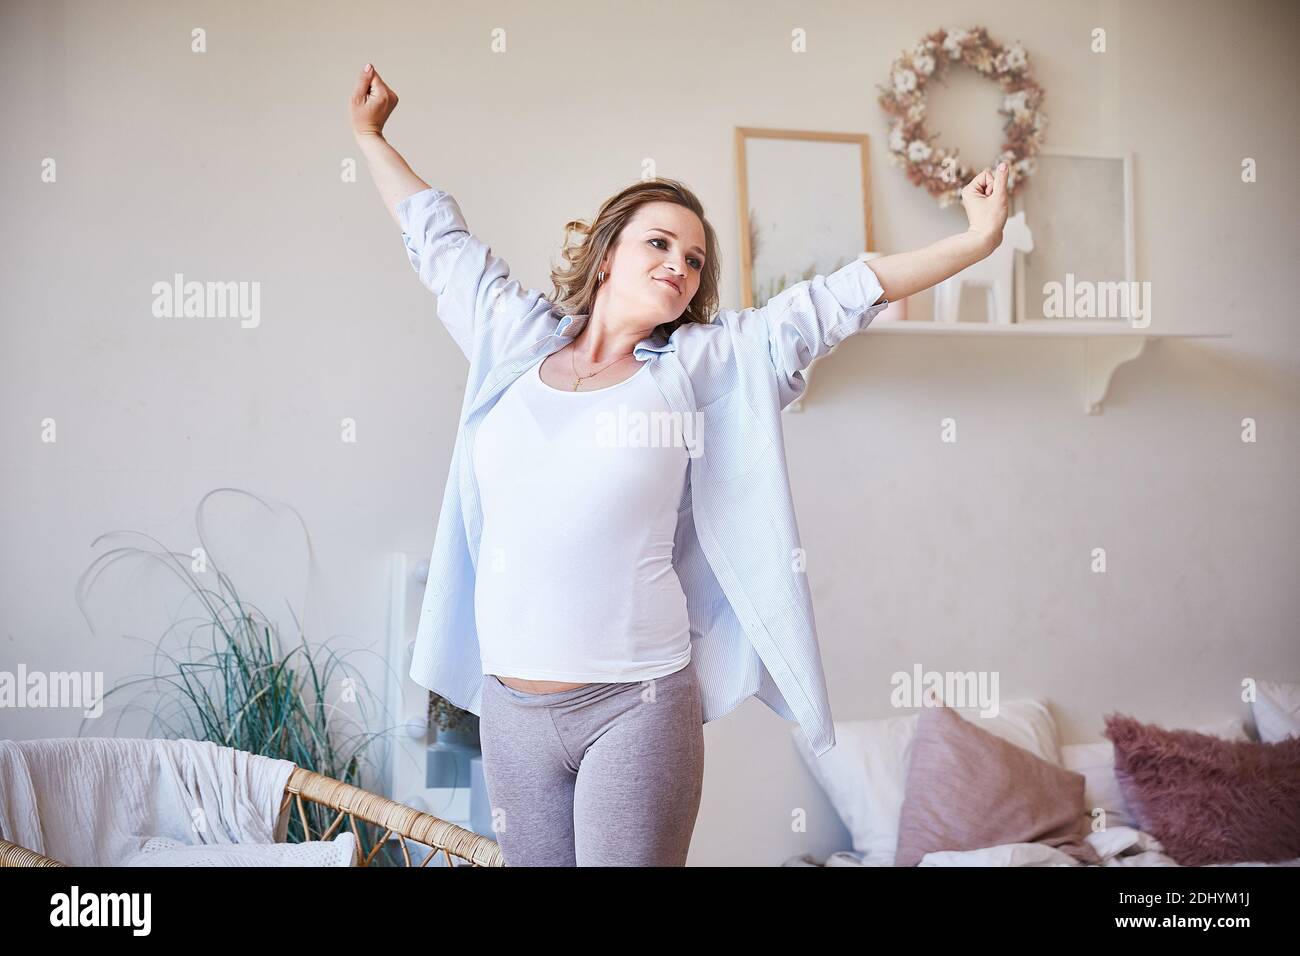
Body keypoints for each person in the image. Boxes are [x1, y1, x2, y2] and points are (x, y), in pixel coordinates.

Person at [348, 63, 1009, 866]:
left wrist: (975, 241)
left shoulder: (703, 364)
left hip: (637, 707)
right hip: (512, 711)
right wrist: (369, 138)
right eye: (659, 243)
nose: (679, 265)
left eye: (694, 260)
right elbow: (436, 237)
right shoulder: (513, 340)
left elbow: (840, 296)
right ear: (605, 256)